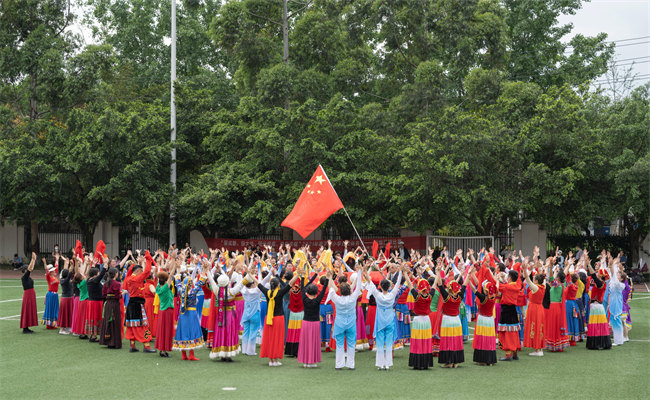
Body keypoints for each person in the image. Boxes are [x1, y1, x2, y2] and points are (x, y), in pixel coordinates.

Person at [253, 270, 296, 366]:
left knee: (270, 339)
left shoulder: (267, 292)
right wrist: (297, 274)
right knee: (277, 339)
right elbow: (290, 284)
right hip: (278, 319)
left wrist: (249, 273)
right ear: (277, 285)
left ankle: (271, 360)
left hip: (269, 318)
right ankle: (275, 360)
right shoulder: (280, 293)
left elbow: (258, 283)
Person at [363, 266, 403, 370]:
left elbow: (369, 282)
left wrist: (365, 271)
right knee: (389, 342)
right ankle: (387, 364)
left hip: (380, 321)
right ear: (389, 286)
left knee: (380, 342)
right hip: (389, 320)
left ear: (380, 286)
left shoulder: (378, 295)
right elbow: (398, 283)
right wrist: (400, 271)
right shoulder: (392, 295)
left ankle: (380, 364)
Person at [206, 266, 247, 361]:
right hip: (230, 315)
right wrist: (248, 274)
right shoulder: (231, 291)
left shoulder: (217, 290)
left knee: (221, 333)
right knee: (229, 333)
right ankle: (228, 354)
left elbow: (211, 281)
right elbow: (241, 284)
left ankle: (222, 353)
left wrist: (207, 271)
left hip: (220, 316)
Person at [326, 266, 363, 370]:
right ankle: (351, 365)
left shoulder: (337, 299)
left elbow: (331, 288)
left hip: (339, 324)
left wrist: (329, 277)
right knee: (351, 345)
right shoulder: (353, 298)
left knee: (340, 345)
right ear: (350, 290)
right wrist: (360, 273)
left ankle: (339, 364)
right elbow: (358, 285)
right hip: (351, 324)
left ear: (340, 291)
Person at [173, 268, 207, 360]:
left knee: (183, 331)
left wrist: (178, 269)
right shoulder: (192, 292)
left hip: (183, 314)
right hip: (191, 314)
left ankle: (184, 354)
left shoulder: (181, 291)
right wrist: (205, 270)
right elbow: (200, 283)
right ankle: (191, 355)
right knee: (192, 331)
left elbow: (177, 282)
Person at [435, 266, 466, 368]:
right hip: (456, 320)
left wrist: (438, 272)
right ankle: (456, 362)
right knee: (456, 340)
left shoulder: (446, 297)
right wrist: (468, 274)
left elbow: (439, 285)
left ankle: (448, 362)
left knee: (447, 340)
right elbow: (464, 285)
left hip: (447, 320)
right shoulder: (459, 297)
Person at [298, 270, 329, 368]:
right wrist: (327, 278)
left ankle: (306, 361)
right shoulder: (317, 300)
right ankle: (312, 361)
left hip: (306, 322)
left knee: (305, 341)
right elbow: (324, 290)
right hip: (315, 323)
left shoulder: (304, 298)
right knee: (314, 342)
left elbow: (302, 289)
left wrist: (303, 277)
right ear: (316, 292)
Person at [404, 269, 435, 370]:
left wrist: (405, 273)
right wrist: (438, 273)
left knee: (417, 341)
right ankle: (425, 363)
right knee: (425, 341)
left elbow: (409, 284)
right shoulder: (430, 296)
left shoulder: (417, 296)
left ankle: (417, 363)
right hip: (426, 320)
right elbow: (434, 285)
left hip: (417, 320)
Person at [124, 252, 154, 353]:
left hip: (131, 304)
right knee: (143, 325)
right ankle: (147, 346)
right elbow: (147, 272)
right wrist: (149, 260)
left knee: (132, 326)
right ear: (139, 271)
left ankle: (132, 345)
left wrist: (141, 261)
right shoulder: (136, 278)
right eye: (141, 270)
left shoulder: (128, 278)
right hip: (138, 304)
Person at [471, 276, 498, 366]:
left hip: (482, 319)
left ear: (486, 291)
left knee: (482, 338)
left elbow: (475, 291)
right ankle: (490, 359)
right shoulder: (493, 298)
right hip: (490, 320)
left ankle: (482, 359)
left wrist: (468, 281)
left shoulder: (483, 298)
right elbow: (496, 286)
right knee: (489, 339)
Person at [586, 259, 612, 350]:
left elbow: (593, 275)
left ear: (600, 276)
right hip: (595, 307)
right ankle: (600, 343)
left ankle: (595, 343)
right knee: (598, 325)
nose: (597, 274)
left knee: (596, 325)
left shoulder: (600, 283)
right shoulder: (601, 283)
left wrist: (589, 265)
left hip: (597, 307)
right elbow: (594, 275)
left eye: (598, 274)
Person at [523, 266, 546, 356]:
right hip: (539, 308)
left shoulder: (536, 287)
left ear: (536, 280)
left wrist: (525, 269)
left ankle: (538, 350)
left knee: (535, 327)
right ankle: (539, 349)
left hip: (534, 309)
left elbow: (528, 280)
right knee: (539, 327)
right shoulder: (543, 286)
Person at [85, 257, 107, 342]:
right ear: (95, 274)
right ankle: (94, 335)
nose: (99, 273)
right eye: (97, 272)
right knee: (96, 317)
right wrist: (105, 266)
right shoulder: (94, 280)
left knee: (92, 317)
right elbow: (101, 275)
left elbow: (92, 273)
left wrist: (93, 264)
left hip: (92, 302)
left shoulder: (89, 280)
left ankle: (92, 334)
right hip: (96, 302)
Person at [99, 267, 123, 349]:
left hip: (108, 304)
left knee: (107, 321)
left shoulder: (106, 283)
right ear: (116, 274)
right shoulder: (117, 284)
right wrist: (123, 293)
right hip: (114, 304)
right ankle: (114, 342)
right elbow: (118, 296)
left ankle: (107, 340)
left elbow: (103, 295)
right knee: (115, 321)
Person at [155, 264, 176, 358]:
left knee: (162, 330)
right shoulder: (165, 287)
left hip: (162, 311)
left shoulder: (158, 287)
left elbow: (167, 276)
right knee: (166, 331)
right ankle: (163, 351)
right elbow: (171, 275)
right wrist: (174, 262)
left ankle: (162, 349)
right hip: (167, 311)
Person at [20, 253, 38, 334]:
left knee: (30, 310)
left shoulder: (27, 276)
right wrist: (32, 259)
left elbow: (31, 268)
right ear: (25, 271)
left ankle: (27, 327)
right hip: (28, 295)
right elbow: (30, 268)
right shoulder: (24, 277)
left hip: (30, 294)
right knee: (27, 310)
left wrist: (34, 260)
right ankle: (25, 328)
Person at [57, 257, 74, 335]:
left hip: (68, 298)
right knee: (64, 314)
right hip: (66, 299)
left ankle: (67, 326)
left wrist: (67, 263)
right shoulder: (65, 281)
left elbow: (65, 271)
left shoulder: (62, 279)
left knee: (69, 313)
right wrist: (72, 265)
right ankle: (62, 329)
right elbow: (69, 273)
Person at [41, 257, 59, 329]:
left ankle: (52, 323)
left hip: (55, 295)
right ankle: (49, 324)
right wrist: (45, 263)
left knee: (54, 308)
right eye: (53, 270)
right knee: (50, 308)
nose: (55, 271)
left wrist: (57, 259)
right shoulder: (49, 277)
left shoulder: (54, 276)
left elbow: (57, 266)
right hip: (51, 294)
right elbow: (46, 270)